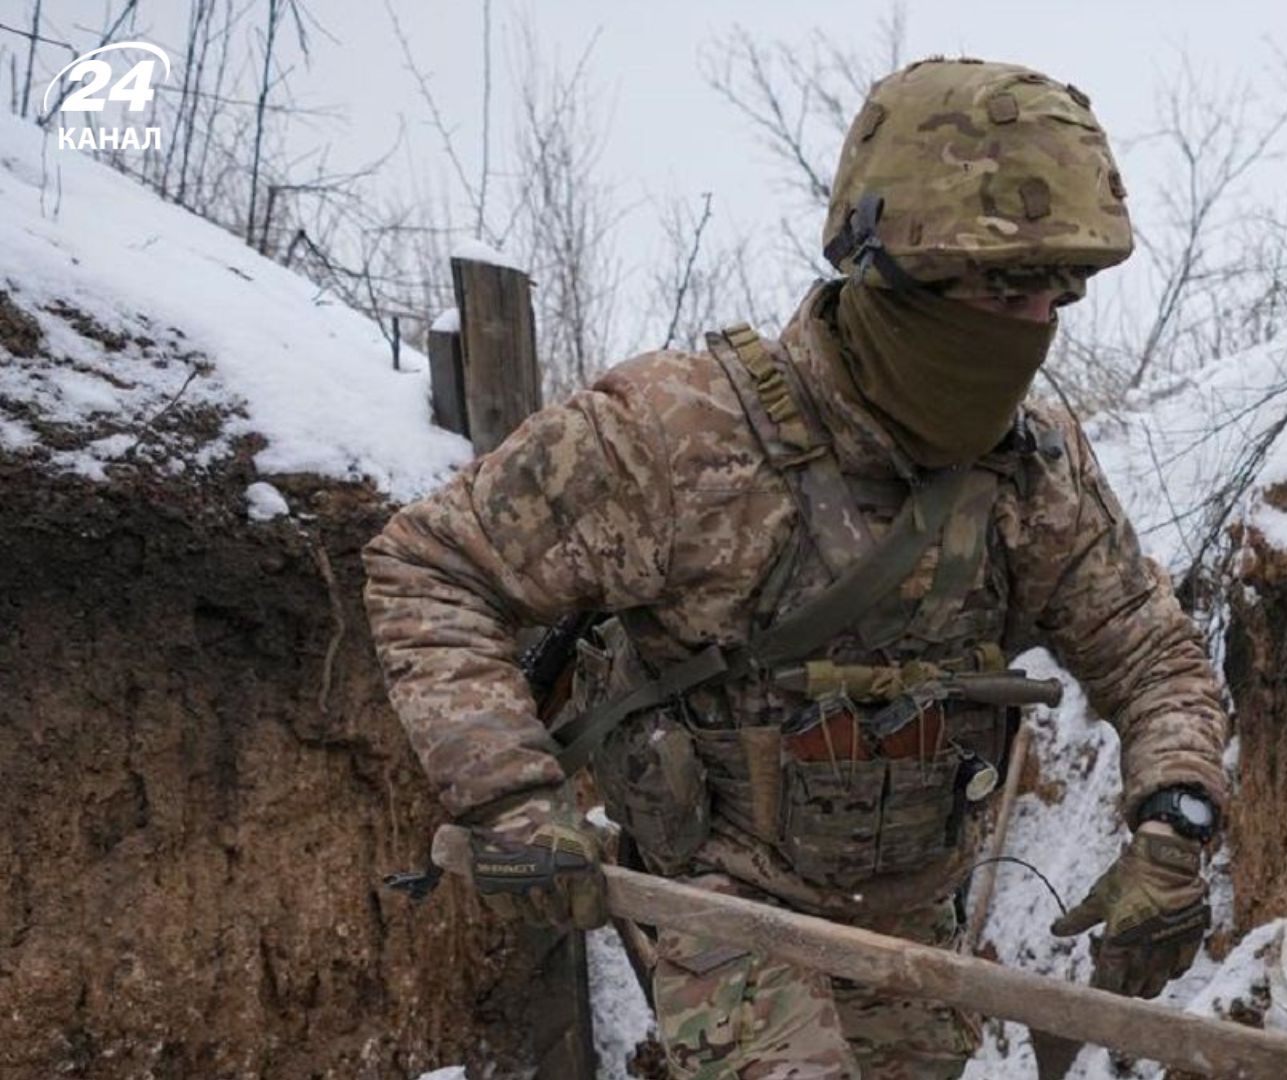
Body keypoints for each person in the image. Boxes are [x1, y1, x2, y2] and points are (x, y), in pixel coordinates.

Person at [364, 56, 1229, 1080]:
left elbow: (1153, 656)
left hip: (911, 926)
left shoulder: (1034, 471)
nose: (1036, 328)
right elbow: (429, 567)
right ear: (894, 272)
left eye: (1060, 294)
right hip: (722, 911)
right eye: (1003, 291)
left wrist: (1176, 823)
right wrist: (509, 796)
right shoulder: (678, 436)